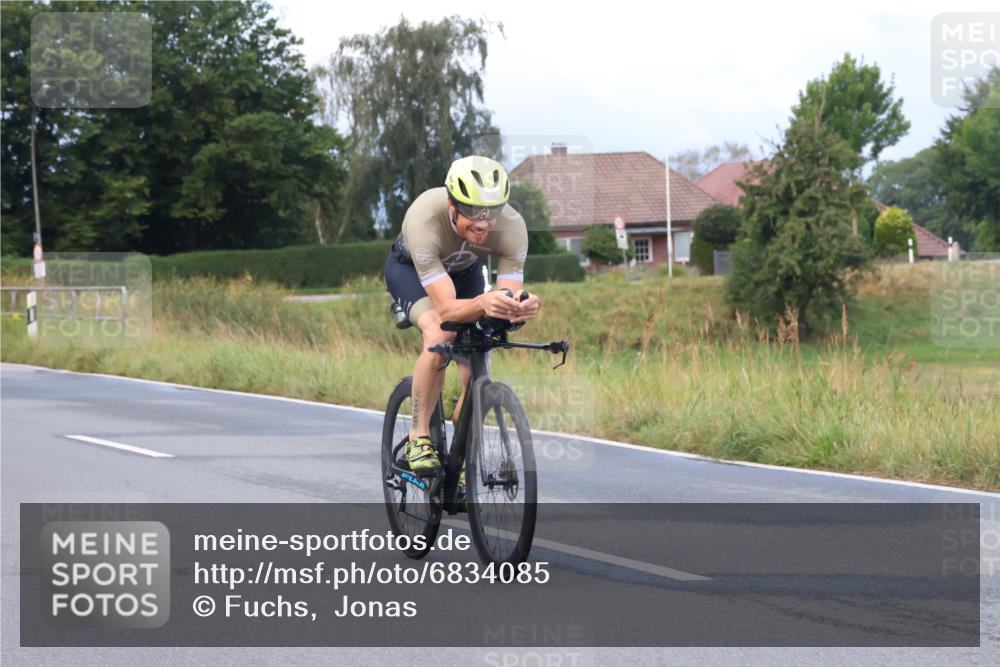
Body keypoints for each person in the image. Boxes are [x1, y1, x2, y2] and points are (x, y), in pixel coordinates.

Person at [384, 155, 540, 474]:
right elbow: (446, 309)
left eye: (492, 212)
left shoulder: (513, 228)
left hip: (465, 273)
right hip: (411, 272)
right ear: (452, 204)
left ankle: (461, 440)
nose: (483, 223)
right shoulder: (424, 219)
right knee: (441, 333)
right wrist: (484, 303)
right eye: (471, 211)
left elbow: (507, 295)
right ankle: (418, 436)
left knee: (481, 345)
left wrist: (517, 306)